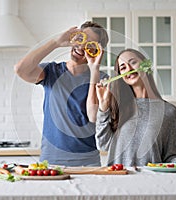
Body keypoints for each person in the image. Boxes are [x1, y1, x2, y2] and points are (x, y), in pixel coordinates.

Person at [14, 21, 109, 166]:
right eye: (81, 39)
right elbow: (21, 69)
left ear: (96, 51)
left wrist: (94, 70)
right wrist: (56, 42)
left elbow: (94, 116)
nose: (82, 46)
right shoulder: (51, 72)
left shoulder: (101, 79)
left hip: (87, 162)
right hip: (51, 160)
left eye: (90, 45)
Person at [95, 48, 176, 167]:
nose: (129, 69)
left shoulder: (168, 111)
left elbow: (170, 157)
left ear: (145, 65)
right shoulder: (118, 107)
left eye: (132, 62)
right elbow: (103, 145)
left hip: (153, 180)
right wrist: (103, 107)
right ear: (121, 76)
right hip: (119, 180)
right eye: (123, 67)